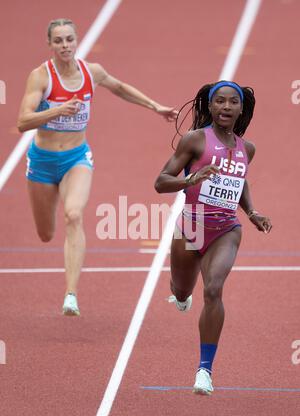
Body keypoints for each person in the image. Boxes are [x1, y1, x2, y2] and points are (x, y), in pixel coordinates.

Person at [17, 18, 178, 316]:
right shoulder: (41, 77)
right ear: (50, 44)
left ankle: (71, 295)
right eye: (58, 41)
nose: (65, 45)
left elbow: (120, 88)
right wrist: (56, 110)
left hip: (76, 158)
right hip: (41, 161)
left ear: (77, 41)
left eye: (69, 39)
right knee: (45, 233)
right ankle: (66, 279)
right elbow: (22, 121)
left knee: (74, 214)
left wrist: (155, 107)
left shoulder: (93, 72)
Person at [154, 80, 272, 395]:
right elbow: (161, 181)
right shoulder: (195, 141)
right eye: (219, 101)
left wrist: (251, 212)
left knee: (214, 290)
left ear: (241, 108)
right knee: (182, 290)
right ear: (209, 106)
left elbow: (240, 180)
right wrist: (192, 178)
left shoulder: (247, 148)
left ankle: (204, 370)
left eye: (232, 102)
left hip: (226, 230)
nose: (226, 107)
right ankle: (180, 295)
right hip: (190, 227)